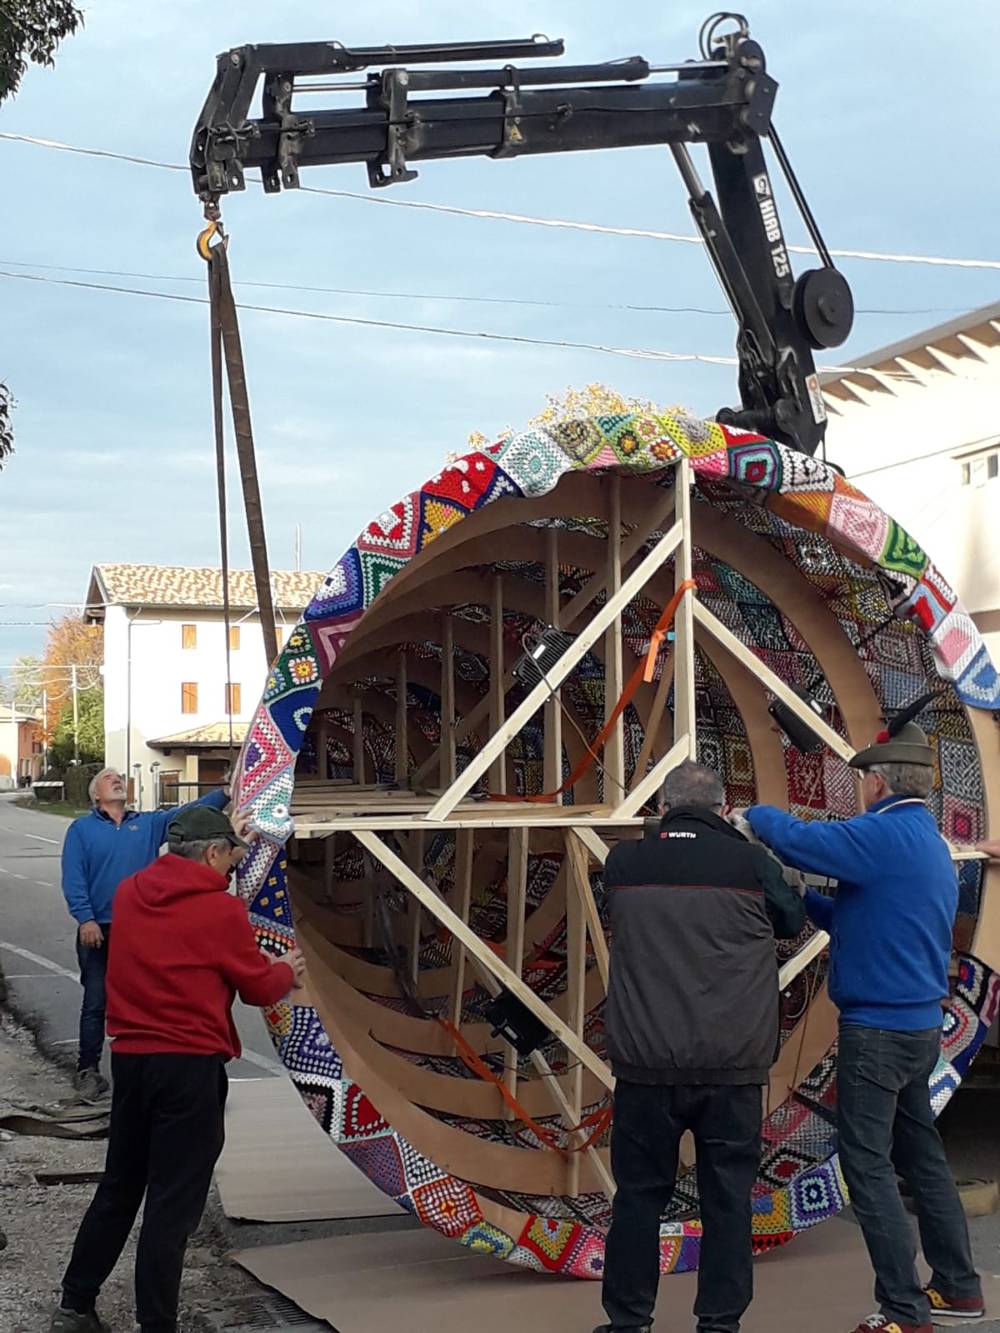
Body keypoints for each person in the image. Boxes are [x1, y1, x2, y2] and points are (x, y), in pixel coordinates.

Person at [746, 722, 984, 1333]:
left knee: (866, 1165)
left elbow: (800, 841)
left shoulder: (881, 833)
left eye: (861, 783)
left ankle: (904, 1311)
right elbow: (869, 916)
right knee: (921, 1158)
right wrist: (806, 903)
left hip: (876, 1032)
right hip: (918, 1028)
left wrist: (753, 813)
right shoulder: (925, 842)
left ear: (878, 782)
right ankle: (958, 1290)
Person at [50, 803, 305, 1333]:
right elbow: (258, 988)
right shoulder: (220, 912)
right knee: (171, 1205)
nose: (231, 873)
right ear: (212, 853)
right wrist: (283, 970)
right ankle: (156, 1324)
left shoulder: (131, 893)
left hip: (132, 1063)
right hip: (188, 1069)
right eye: (230, 862)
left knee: (120, 1187)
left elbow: (190, 862)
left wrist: (223, 834)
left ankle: (75, 1304)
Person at [596, 760, 805, 1333]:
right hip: (732, 1067)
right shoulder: (751, 864)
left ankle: (628, 1321)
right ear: (722, 809)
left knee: (638, 1198)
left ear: (662, 809)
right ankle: (719, 1322)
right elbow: (792, 918)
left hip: (645, 1066)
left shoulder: (625, 863)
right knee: (728, 1202)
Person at [60, 767, 231, 1100]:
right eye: (109, 778)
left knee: (148, 1002)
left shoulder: (149, 824)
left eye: (120, 778)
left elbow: (190, 815)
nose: (118, 780)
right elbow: (74, 876)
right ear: (96, 795)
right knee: (96, 1001)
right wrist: (85, 919)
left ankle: (142, 1073)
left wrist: (225, 792)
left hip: (142, 928)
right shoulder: (81, 829)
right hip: (100, 928)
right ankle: (88, 1070)